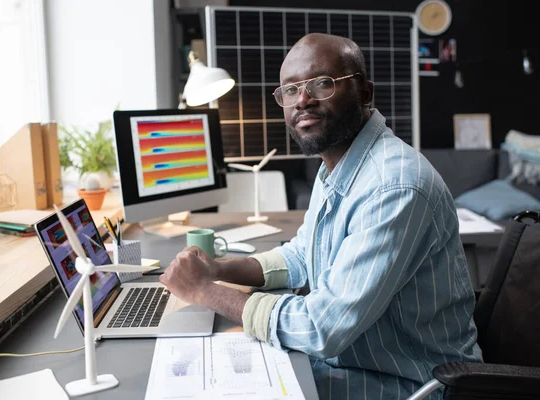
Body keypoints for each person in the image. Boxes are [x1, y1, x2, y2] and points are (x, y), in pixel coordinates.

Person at [160, 32, 483, 399]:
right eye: (290, 90)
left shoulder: (393, 186)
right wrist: (218, 269)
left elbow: (320, 328)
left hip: (413, 384)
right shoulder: (337, 166)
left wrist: (204, 291)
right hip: (359, 363)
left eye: (322, 84)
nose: (303, 100)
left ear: (364, 92)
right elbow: (303, 254)